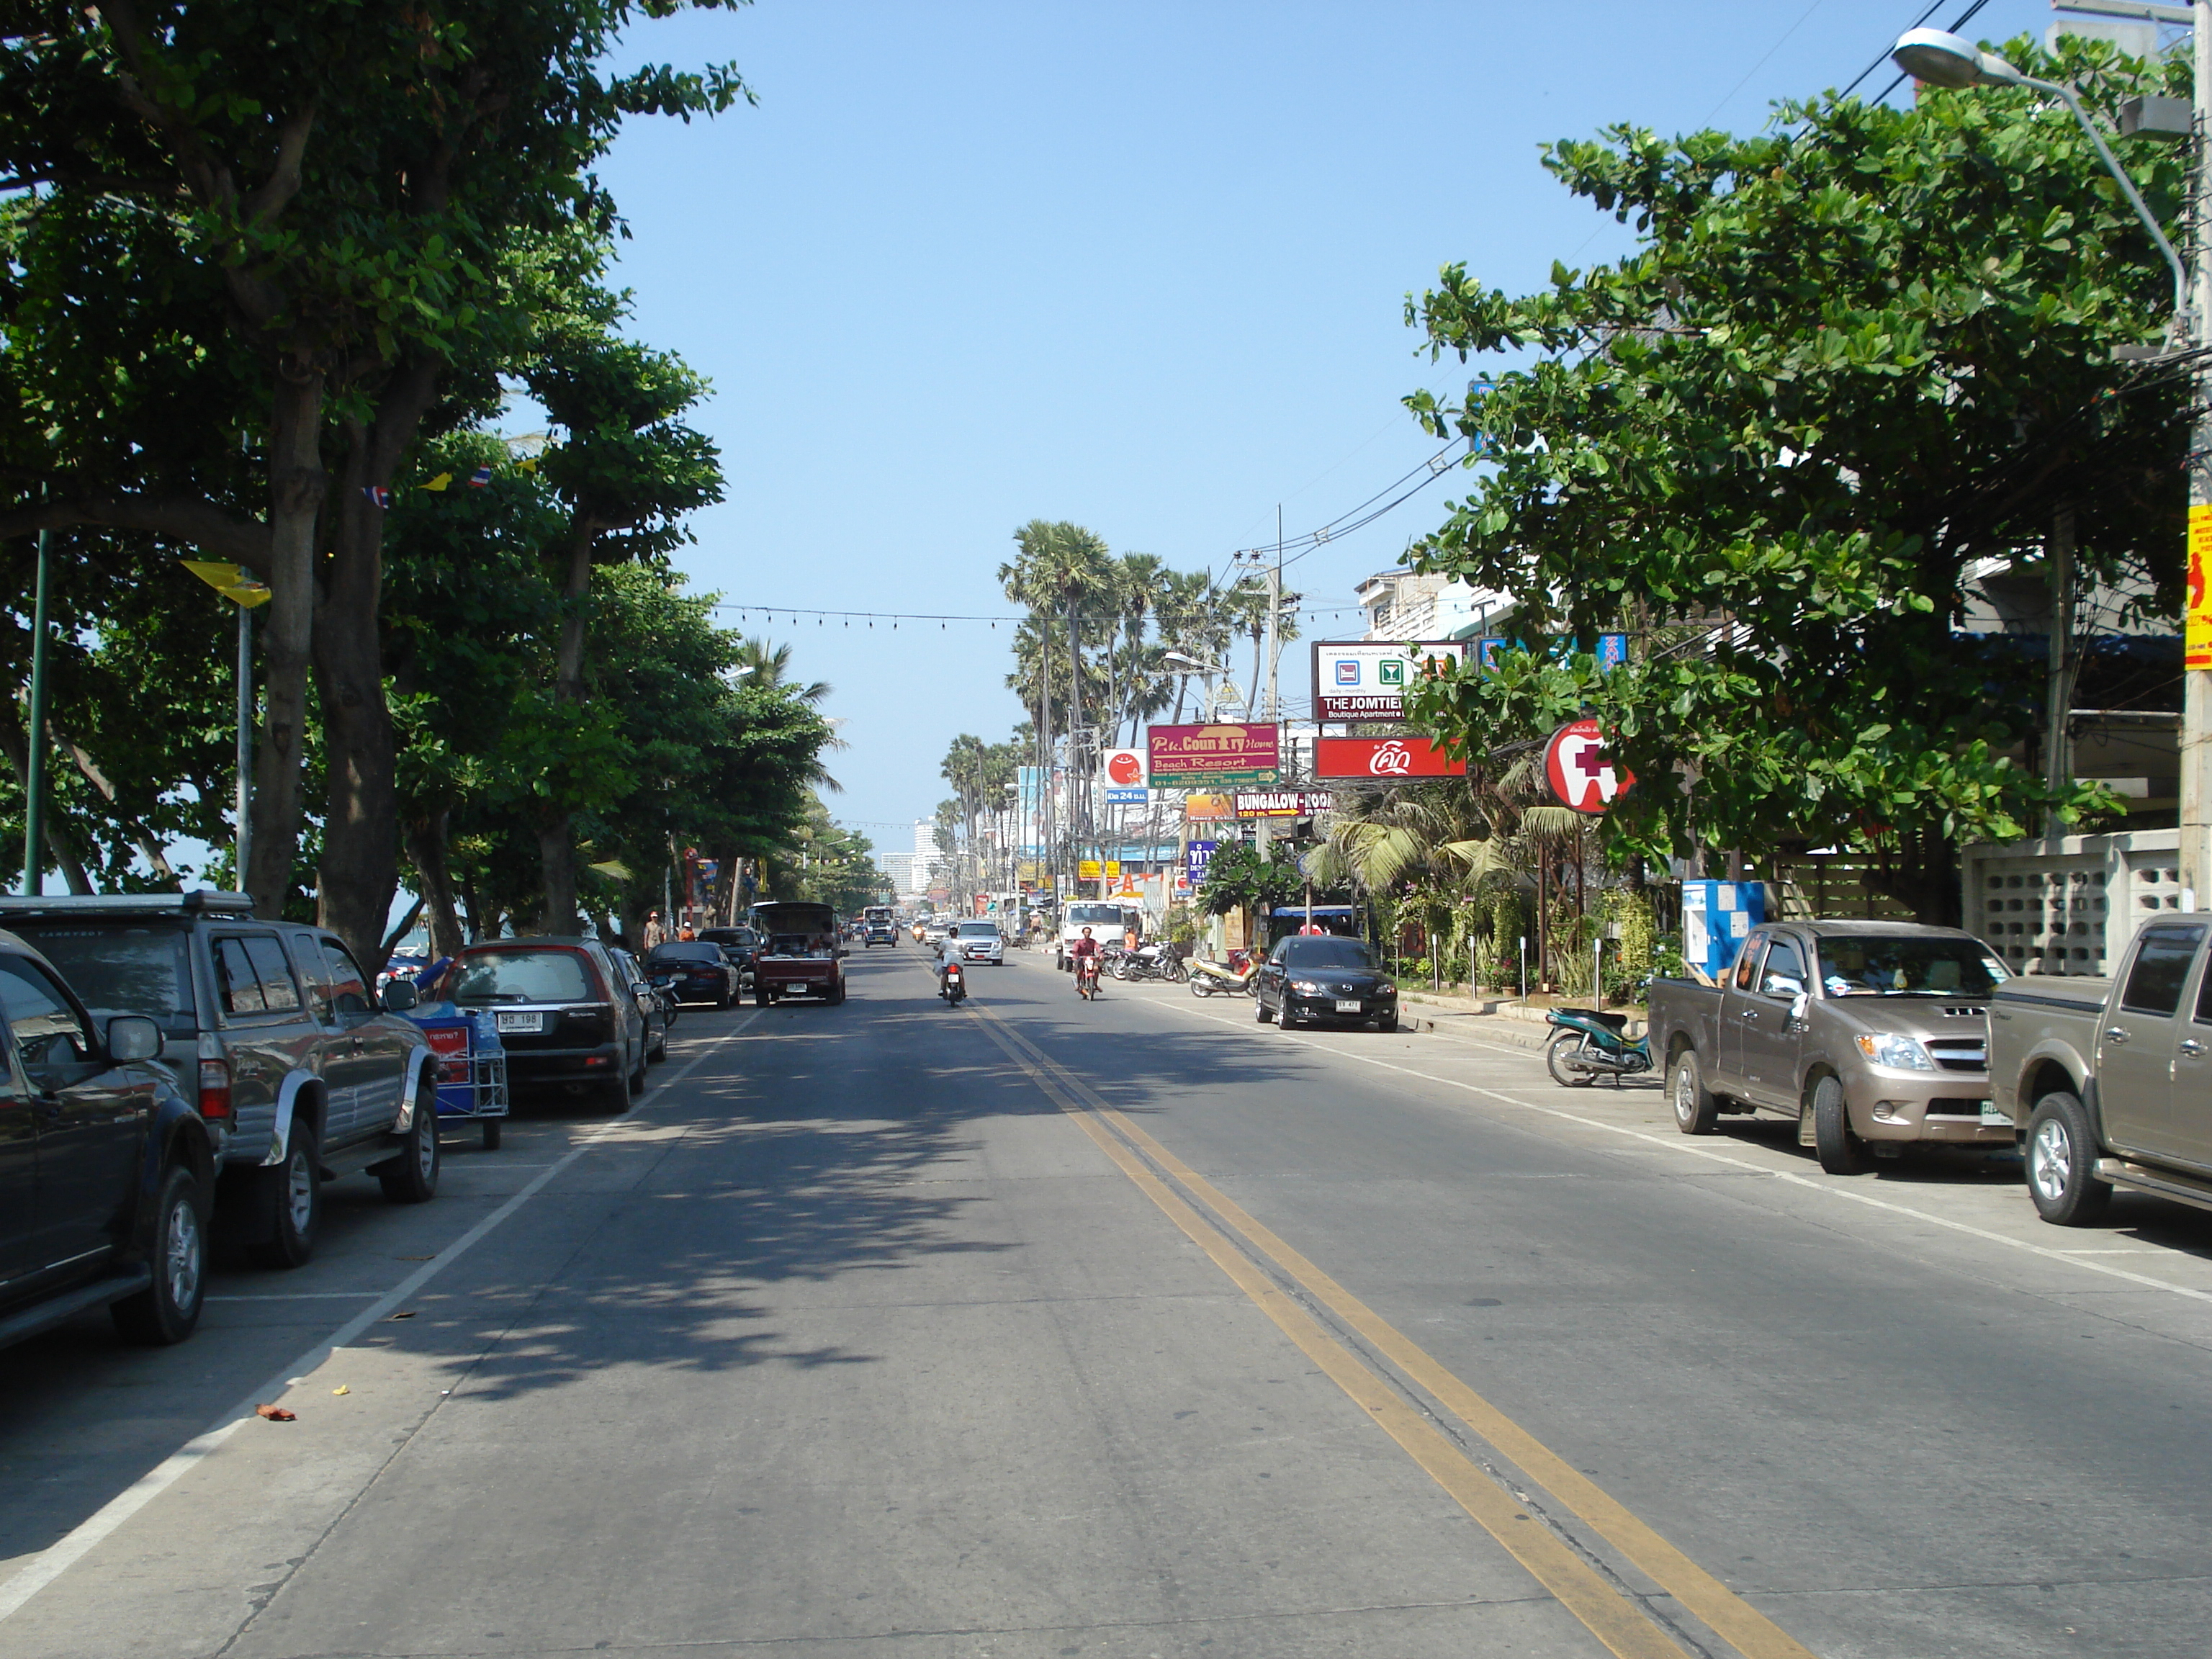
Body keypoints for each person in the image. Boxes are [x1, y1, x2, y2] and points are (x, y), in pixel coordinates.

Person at [1069, 926, 1100, 995]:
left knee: (1096, 969)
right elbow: (1075, 949)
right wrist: (1074, 954)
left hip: (1090, 959)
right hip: (1081, 960)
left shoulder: (1093, 942)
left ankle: (1095, 984)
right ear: (1083, 933)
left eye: (1089, 932)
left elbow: (1098, 947)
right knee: (1079, 971)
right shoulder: (1079, 942)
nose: (1087, 934)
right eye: (1086, 932)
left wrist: (1100, 953)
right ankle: (1079, 983)